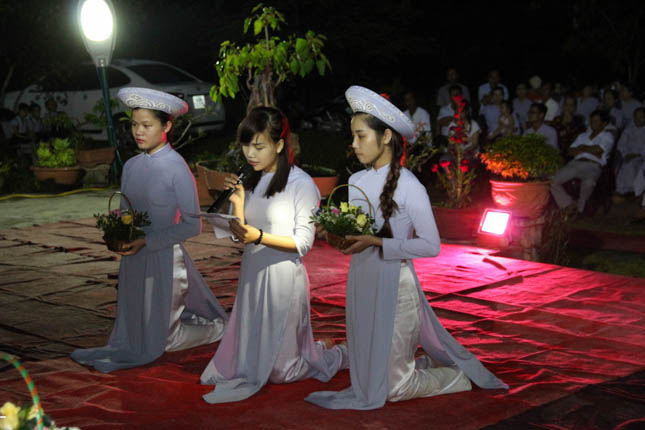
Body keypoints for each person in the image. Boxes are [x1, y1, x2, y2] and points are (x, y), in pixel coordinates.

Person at [306, 86, 507, 410]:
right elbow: (357, 240)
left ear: (386, 136)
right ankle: (417, 364)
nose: (353, 144)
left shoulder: (410, 185)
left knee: (394, 390)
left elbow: (430, 245)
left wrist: (377, 242)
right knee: (370, 376)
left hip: (396, 286)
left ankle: (457, 377)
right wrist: (336, 236)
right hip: (361, 281)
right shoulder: (356, 182)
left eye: (360, 136)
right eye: (353, 136)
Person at [71, 88, 226, 373]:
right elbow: (125, 212)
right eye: (134, 125)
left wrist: (146, 240)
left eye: (146, 125)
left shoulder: (177, 168)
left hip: (163, 256)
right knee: (134, 329)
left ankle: (222, 330)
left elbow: (193, 224)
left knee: (163, 340)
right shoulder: (131, 166)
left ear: (166, 127)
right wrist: (118, 234)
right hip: (134, 256)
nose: (138, 132)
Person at [201, 106, 348, 404]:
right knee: (245, 363)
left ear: (279, 145)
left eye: (259, 146)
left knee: (282, 371)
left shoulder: (301, 184)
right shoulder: (251, 179)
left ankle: (335, 354)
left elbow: (303, 242)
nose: (250, 154)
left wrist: (259, 236)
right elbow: (241, 233)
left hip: (282, 277)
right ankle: (315, 347)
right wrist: (238, 204)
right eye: (246, 145)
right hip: (252, 273)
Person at [550, 110, 615, 213]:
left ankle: (580, 209)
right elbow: (570, 151)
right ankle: (568, 204)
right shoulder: (583, 136)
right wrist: (591, 150)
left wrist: (582, 147)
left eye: (596, 121)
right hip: (575, 163)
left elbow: (599, 150)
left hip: (592, 165)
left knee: (589, 183)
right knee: (552, 181)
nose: (593, 124)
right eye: (592, 121)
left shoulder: (607, 136)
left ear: (604, 123)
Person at [616, 107, 645, 195]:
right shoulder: (629, 128)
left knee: (631, 164)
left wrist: (637, 155)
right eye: (636, 117)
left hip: (641, 157)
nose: (638, 119)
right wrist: (626, 154)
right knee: (627, 164)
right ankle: (622, 190)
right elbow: (621, 144)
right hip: (627, 156)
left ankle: (630, 190)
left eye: (641, 117)